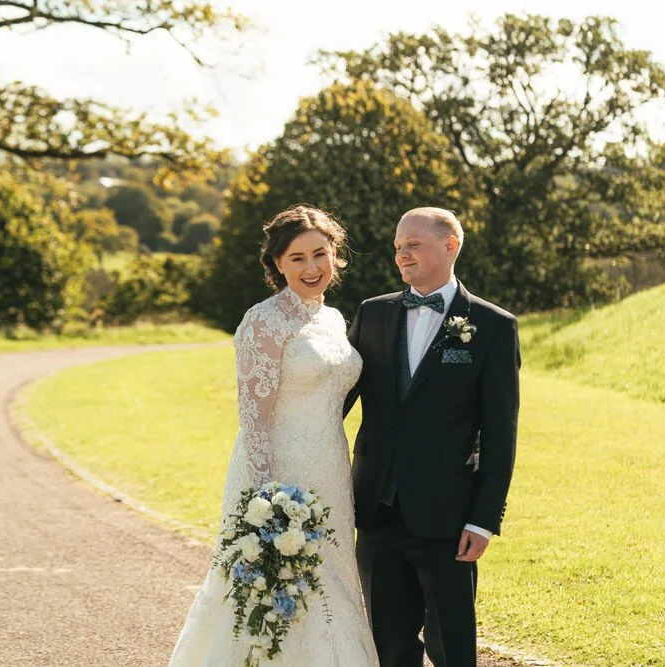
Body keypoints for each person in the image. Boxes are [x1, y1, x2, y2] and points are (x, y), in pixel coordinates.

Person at [169, 205, 379, 666]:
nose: (311, 268)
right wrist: (269, 503)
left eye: (320, 254)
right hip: (279, 479)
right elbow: (254, 419)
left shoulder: (334, 319)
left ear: (335, 256)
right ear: (277, 263)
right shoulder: (263, 322)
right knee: (275, 587)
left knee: (333, 581)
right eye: (297, 258)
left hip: (331, 473)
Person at [344, 207, 520, 667]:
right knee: (389, 647)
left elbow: (501, 433)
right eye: (398, 247)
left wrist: (484, 520)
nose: (402, 255)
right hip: (377, 512)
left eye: (413, 245)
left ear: (450, 245)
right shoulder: (372, 314)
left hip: (449, 518)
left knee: (453, 647)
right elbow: (333, 403)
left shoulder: (494, 326)